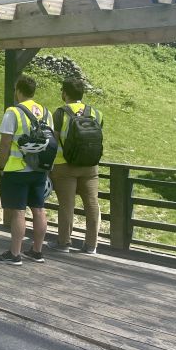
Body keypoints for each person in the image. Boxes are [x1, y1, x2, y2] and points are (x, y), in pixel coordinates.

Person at [0, 75, 53, 266]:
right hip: (39, 169)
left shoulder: (13, 112)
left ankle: (15, 254)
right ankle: (37, 251)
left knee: (18, 211)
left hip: (17, 169)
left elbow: (5, 143)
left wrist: (2, 166)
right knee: (39, 209)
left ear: (18, 90)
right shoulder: (46, 112)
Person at [49, 77, 104, 254]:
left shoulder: (60, 113)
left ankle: (64, 242)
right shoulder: (96, 113)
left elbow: (53, 141)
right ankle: (91, 245)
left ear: (65, 93)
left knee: (67, 205)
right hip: (90, 166)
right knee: (92, 203)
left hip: (64, 166)